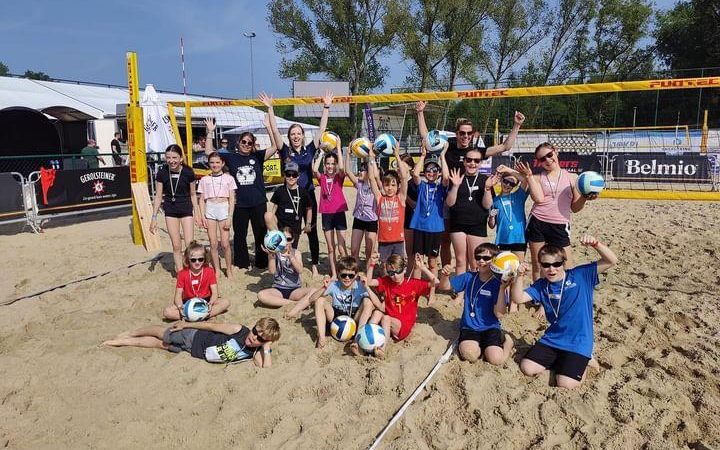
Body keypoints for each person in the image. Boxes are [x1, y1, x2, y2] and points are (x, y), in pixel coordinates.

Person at [416, 102, 526, 288]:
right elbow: (427, 137)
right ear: (457, 133)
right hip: (449, 197)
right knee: (445, 241)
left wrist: (517, 125)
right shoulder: (448, 147)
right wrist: (420, 113)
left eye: (469, 133)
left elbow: (505, 146)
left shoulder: (477, 152)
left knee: (471, 251)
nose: (465, 136)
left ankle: (468, 279)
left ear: (473, 134)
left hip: (472, 202)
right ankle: (451, 276)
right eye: (462, 133)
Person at [510, 235, 617, 388]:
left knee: (565, 384)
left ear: (563, 263)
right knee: (527, 368)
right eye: (546, 265)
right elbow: (518, 298)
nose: (551, 269)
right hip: (553, 339)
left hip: (578, 342)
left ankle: (586, 360)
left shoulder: (581, 275)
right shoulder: (542, 285)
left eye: (556, 264)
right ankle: (564, 362)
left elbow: (611, 260)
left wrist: (596, 244)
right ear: (540, 265)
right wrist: (519, 277)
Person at [264, 91, 334, 277]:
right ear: (290, 137)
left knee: (311, 230)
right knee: (286, 230)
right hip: (288, 196)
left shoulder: (310, 149)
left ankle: (315, 265)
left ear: (303, 136)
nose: (296, 136)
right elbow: (276, 131)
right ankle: (283, 258)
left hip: (307, 195)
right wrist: (270, 108)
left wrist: (326, 107)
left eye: (298, 133)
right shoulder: (285, 150)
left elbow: (321, 130)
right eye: (293, 134)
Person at [204, 103, 278, 271]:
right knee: (240, 235)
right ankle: (242, 263)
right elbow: (210, 153)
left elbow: (274, 147)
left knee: (260, 233)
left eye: (249, 142)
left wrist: (268, 127)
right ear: (239, 142)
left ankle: (261, 262)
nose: (246, 144)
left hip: (258, 202)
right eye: (244, 141)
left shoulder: (257, 156)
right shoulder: (231, 157)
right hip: (239, 204)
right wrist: (210, 132)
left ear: (253, 145)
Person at [526, 143, 598, 281]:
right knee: (538, 264)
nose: (547, 160)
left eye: (549, 155)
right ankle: (539, 298)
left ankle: (564, 296)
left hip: (560, 224)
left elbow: (575, 208)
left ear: (556, 152)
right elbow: (522, 179)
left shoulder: (573, 178)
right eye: (542, 159)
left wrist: (585, 197)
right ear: (539, 162)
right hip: (537, 222)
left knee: (567, 266)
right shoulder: (537, 178)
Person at [103, 317, 280, 368]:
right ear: (253, 327)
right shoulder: (239, 330)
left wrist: (266, 347)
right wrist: (186, 324)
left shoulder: (254, 352)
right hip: (194, 336)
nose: (254, 337)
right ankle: (130, 334)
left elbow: (266, 368)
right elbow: (212, 326)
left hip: (192, 352)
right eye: (255, 332)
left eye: (260, 338)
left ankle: (127, 342)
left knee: (161, 345)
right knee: (162, 333)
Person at [442, 243, 513, 365]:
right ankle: (481, 348)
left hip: (491, 327)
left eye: (486, 258)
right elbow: (445, 286)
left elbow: (499, 314)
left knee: (496, 359)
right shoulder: (469, 276)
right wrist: (445, 275)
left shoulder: (498, 283)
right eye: (478, 257)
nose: (481, 261)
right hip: (469, 327)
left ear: (495, 260)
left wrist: (502, 289)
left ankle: (508, 344)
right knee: (469, 355)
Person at [363, 253, 438, 358]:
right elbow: (370, 282)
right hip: (390, 321)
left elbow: (436, 282)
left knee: (386, 318)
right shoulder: (387, 281)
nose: (395, 276)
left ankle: (382, 349)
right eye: (391, 273)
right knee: (376, 313)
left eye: (398, 272)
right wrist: (372, 264)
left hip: (403, 325)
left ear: (404, 269)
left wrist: (422, 267)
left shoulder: (413, 284)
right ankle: (363, 340)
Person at [150, 144, 200, 272]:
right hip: (171, 211)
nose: (171, 160)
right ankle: (180, 273)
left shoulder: (188, 172)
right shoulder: (162, 173)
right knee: (176, 245)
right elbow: (158, 196)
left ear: (181, 158)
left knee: (189, 244)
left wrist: (198, 213)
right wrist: (154, 217)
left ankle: (191, 270)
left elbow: (193, 194)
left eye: (174, 157)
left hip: (186, 210)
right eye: (168, 157)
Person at [310, 256, 380, 349]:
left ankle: (357, 339)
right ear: (338, 274)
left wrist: (367, 287)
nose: (347, 278)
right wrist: (324, 288)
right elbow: (311, 299)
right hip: (336, 318)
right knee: (320, 300)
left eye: (351, 275)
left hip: (354, 318)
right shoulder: (333, 285)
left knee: (368, 301)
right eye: (343, 275)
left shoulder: (360, 286)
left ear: (356, 275)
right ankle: (322, 338)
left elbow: (378, 305)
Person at [483, 162, 542, 262]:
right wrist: (491, 217)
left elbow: (525, 180)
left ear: (515, 186)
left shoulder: (518, 196)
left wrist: (508, 170)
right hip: (502, 238)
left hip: (519, 238)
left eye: (512, 183)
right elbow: (492, 225)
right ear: (501, 180)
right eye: (506, 181)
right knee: (503, 269)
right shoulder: (495, 200)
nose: (508, 185)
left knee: (518, 268)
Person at [409, 141, 450, 281]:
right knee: (418, 262)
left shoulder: (441, 187)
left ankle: (431, 292)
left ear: (438, 172)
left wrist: (442, 156)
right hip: (420, 227)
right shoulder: (422, 185)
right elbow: (414, 174)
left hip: (435, 228)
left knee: (432, 262)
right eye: (428, 170)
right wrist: (422, 156)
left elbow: (446, 177)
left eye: (434, 170)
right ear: (424, 172)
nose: (431, 173)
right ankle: (416, 290)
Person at [445, 149, 490, 276]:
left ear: (480, 163)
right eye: (469, 160)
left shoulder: (484, 180)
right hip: (458, 224)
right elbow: (449, 203)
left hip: (477, 225)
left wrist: (487, 189)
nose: (472, 163)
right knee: (460, 260)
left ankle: (473, 290)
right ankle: (460, 292)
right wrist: (455, 186)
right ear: (464, 162)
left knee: (475, 262)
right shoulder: (456, 177)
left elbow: (487, 205)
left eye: (476, 161)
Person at [162, 241, 229, 320]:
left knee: (226, 302)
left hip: (206, 300)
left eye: (200, 259)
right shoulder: (182, 274)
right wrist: (180, 308)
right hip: (188, 302)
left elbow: (215, 293)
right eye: (193, 260)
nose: (197, 262)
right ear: (188, 260)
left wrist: (210, 303)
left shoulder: (209, 271)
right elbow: (178, 295)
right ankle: (196, 316)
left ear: (204, 259)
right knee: (167, 312)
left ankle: (195, 316)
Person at [367, 141, 409, 265]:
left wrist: (397, 155)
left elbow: (404, 177)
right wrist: (371, 158)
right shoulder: (380, 198)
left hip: (398, 241)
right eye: (386, 184)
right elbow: (371, 179)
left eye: (393, 185)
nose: (390, 188)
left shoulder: (401, 198)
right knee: (385, 269)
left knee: (398, 268)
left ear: (397, 186)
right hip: (383, 241)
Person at [257, 227, 318, 313]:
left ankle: (291, 302)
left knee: (314, 291)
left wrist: (291, 258)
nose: (285, 242)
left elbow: (300, 270)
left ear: (293, 240)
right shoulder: (276, 252)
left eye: (288, 239)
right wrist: (271, 256)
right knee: (261, 295)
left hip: (294, 290)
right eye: (283, 239)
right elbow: (272, 271)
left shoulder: (296, 253)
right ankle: (294, 304)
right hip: (278, 289)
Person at [197, 152, 237, 279]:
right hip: (210, 208)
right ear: (209, 164)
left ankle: (229, 268)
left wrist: (230, 216)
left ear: (222, 163)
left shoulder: (229, 178)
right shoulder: (205, 179)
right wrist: (203, 216)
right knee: (213, 243)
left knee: (225, 243)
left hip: (223, 208)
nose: (215, 165)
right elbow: (201, 199)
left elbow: (232, 198)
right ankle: (217, 269)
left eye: (217, 162)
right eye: (212, 162)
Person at [313, 144, 348, 278]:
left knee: (341, 246)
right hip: (326, 215)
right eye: (328, 164)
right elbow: (315, 169)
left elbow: (342, 168)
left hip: (339, 213)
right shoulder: (321, 178)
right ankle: (334, 273)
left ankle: (345, 272)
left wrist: (339, 148)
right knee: (330, 247)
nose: (330, 166)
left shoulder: (339, 177)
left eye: (333, 164)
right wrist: (321, 153)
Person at [265, 161, 312, 248]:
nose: (291, 177)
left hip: (294, 229)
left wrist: (308, 224)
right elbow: (274, 208)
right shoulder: (280, 190)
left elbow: (309, 208)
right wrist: (270, 225)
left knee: (291, 253)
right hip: (280, 227)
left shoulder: (303, 192)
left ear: (298, 176)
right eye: (288, 174)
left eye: (294, 175)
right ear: (284, 175)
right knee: (268, 215)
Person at [346, 154, 378, 276]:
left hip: (371, 221)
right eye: (360, 169)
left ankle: (368, 273)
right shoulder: (358, 184)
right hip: (358, 219)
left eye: (363, 170)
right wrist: (348, 154)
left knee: (369, 252)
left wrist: (371, 158)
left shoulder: (375, 185)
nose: (360, 172)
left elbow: (374, 175)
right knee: (354, 251)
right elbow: (348, 171)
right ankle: (354, 273)